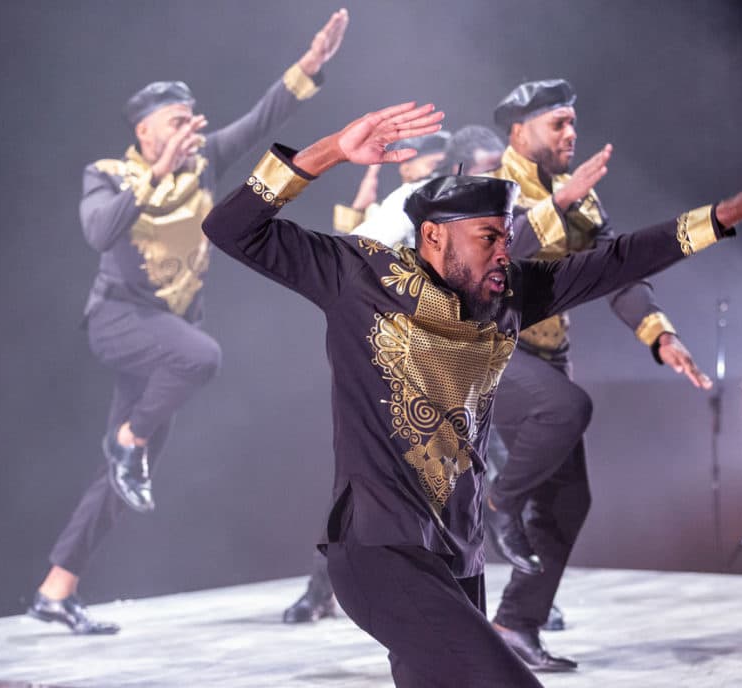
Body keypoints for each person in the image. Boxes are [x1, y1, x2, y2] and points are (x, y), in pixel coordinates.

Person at [202, 101, 742, 685]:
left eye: (507, 237)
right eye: (489, 239)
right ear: (432, 237)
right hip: (379, 554)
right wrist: (332, 150)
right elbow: (232, 227)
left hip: (459, 559)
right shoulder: (356, 276)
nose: (505, 253)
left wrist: (734, 211)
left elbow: (621, 261)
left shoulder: (510, 295)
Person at [26, 10, 349, 635]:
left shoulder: (204, 162)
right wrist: (154, 175)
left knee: (122, 478)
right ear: (144, 134)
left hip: (164, 339)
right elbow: (99, 232)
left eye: (193, 119)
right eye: (177, 123)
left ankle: (55, 588)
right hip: (121, 322)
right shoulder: (109, 175)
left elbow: (262, 119)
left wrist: (310, 65)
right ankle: (128, 444)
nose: (192, 130)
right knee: (201, 358)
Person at [481, 79, 712, 670]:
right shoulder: (486, 184)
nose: (570, 133)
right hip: (485, 352)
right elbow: (492, 253)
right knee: (565, 408)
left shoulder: (578, 197)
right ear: (518, 130)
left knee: (568, 502)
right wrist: (554, 205)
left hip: (545, 358)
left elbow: (618, 269)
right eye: (557, 123)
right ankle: (499, 503)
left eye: (572, 122)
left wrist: (661, 335)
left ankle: (514, 625)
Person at [282, 125, 505, 625]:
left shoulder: (472, 213)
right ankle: (327, 588)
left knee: (470, 475)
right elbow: (355, 252)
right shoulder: (416, 202)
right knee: (379, 491)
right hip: (402, 369)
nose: (495, 175)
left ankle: (498, 586)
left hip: (450, 369)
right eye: (487, 166)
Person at [331, 131, 450, 234]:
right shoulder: (385, 212)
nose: (442, 172)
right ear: (406, 169)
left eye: (447, 166)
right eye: (435, 164)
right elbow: (343, 256)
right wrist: (359, 207)